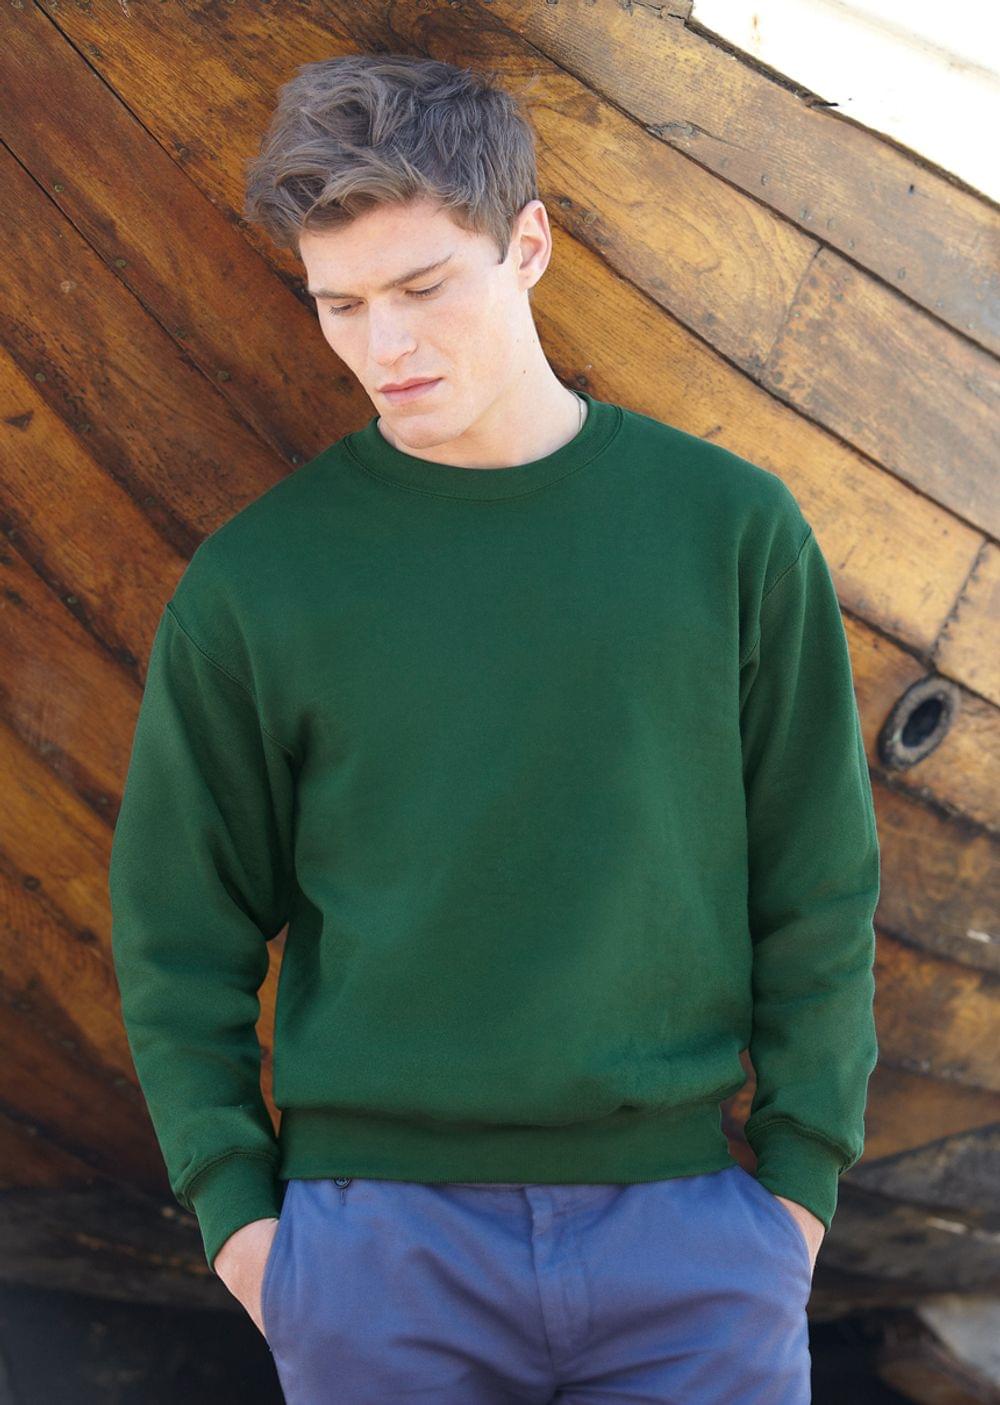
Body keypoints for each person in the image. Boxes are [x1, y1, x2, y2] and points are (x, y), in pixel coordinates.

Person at [108, 52, 880, 1404]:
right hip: (377, 1256)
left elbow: (818, 881)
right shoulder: (257, 582)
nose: (384, 349)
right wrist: (244, 1226)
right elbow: (181, 929)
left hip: (692, 1244)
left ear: (528, 245)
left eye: (422, 289)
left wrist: (798, 1196)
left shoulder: (730, 531)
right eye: (340, 305)